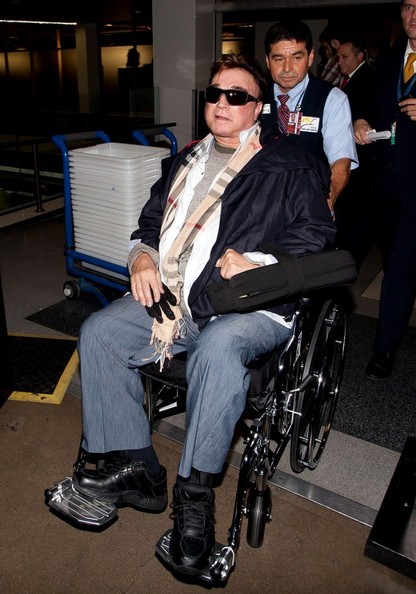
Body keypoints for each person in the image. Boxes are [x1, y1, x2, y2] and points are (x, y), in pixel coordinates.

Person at [70, 53, 336, 577]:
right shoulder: (185, 159)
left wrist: (259, 261)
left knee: (218, 348)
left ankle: (194, 499)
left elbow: (317, 234)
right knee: (99, 331)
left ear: (258, 108)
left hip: (249, 305)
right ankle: (138, 469)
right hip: (179, 300)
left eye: (237, 96)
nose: (222, 103)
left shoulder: (290, 164)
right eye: (214, 94)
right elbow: (149, 222)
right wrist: (141, 257)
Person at [354, 0, 416, 380]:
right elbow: (370, 102)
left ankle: (383, 349)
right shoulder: (391, 59)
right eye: (409, 6)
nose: (414, 15)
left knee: (400, 268)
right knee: (394, 265)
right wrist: (361, 119)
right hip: (384, 185)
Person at [261, 19, 358, 213]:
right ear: (267, 61)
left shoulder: (332, 99)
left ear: (311, 57)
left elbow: (341, 161)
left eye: (297, 58)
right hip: (262, 202)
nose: (287, 68)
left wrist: (327, 199)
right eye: (278, 59)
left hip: (310, 201)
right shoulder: (255, 97)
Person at [334, 36, 377, 267]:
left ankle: (349, 258)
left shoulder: (366, 79)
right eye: (338, 57)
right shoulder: (350, 80)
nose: (339, 62)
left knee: (357, 211)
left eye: (344, 57)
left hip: (362, 157)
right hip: (352, 156)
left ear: (360, 56)